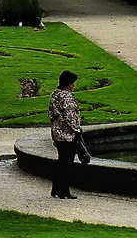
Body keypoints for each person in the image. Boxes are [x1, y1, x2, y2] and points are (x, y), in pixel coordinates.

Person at [48, 70, 89, 199]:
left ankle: (56, 189)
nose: (74, 86)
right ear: (69, 84)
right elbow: (70, 117)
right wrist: (77, 130)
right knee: (67, 164)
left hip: (57, 133)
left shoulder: (55, 95)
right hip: (67, 135)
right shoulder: (67, 97)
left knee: (61, 162)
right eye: (73, 83)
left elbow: (51, 114)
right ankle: (64, 191)